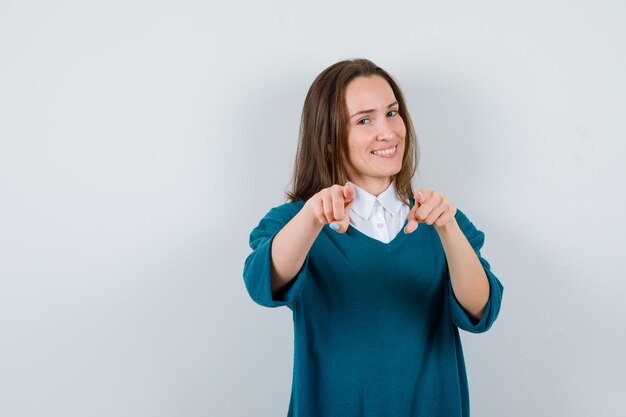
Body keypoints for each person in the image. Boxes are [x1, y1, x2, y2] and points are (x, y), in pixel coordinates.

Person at [243, 58, 504, 417]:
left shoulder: (442, 222)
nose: (388, 132)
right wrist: (313, 216)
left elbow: (481, 313)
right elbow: (263, 284)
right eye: (364, 120)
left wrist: (448, 228)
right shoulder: (297, 223)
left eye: (392, 113)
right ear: (330, 140)